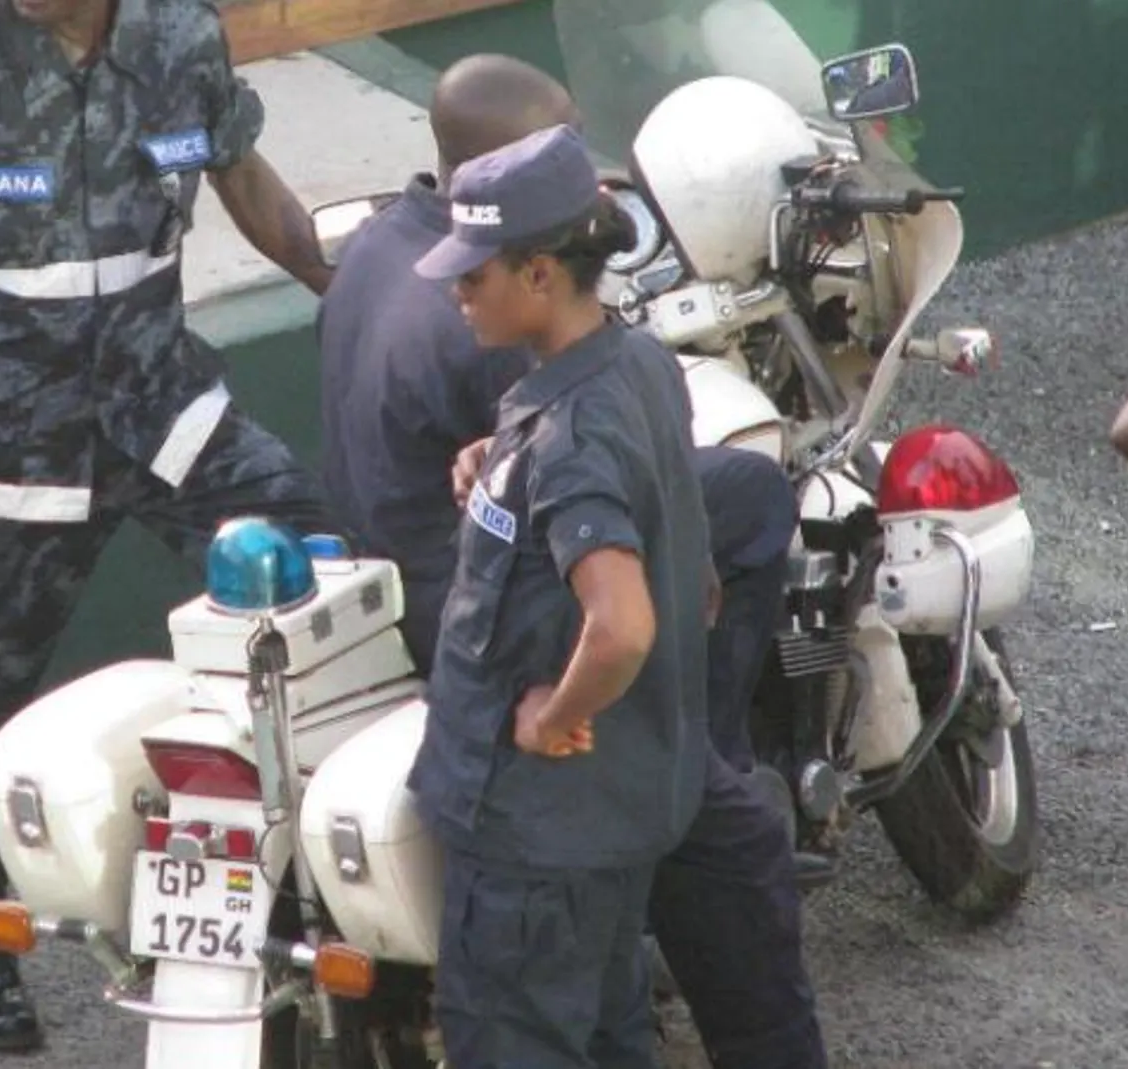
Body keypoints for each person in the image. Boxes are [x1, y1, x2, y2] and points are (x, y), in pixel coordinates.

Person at [323, 54, 827, 1069]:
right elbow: (632, 611)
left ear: (538, 272)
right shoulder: (612, 368)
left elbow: (617, 612)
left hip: (535, 808)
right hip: (558, 790)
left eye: (474, 274)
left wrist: (556, 712)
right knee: (713, 877)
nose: (459, 291)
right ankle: (707, 740)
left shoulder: (392, 253)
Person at [0, 0, 336, 1052]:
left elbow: (242, 172)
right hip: (8, 449)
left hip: (164, 413)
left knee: (319, 563)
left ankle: (327, 890)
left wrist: (332, 282)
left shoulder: (181, 38)